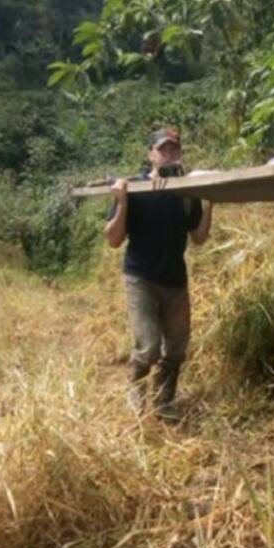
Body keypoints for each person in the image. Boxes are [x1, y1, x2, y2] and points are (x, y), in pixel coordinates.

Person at [105, 128, 213, 419]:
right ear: (150, 154)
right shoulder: (134, 189)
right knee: (149, 346)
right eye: (163, 149)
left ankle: (163, 404)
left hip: (175, 280)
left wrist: (211, 199)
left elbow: (199, 237)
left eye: (174, 149)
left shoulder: (186, 194)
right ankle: (136, 394)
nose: (169, 154)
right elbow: (113, 239)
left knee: (176, 348)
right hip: (141, 279)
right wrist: (122, 203)